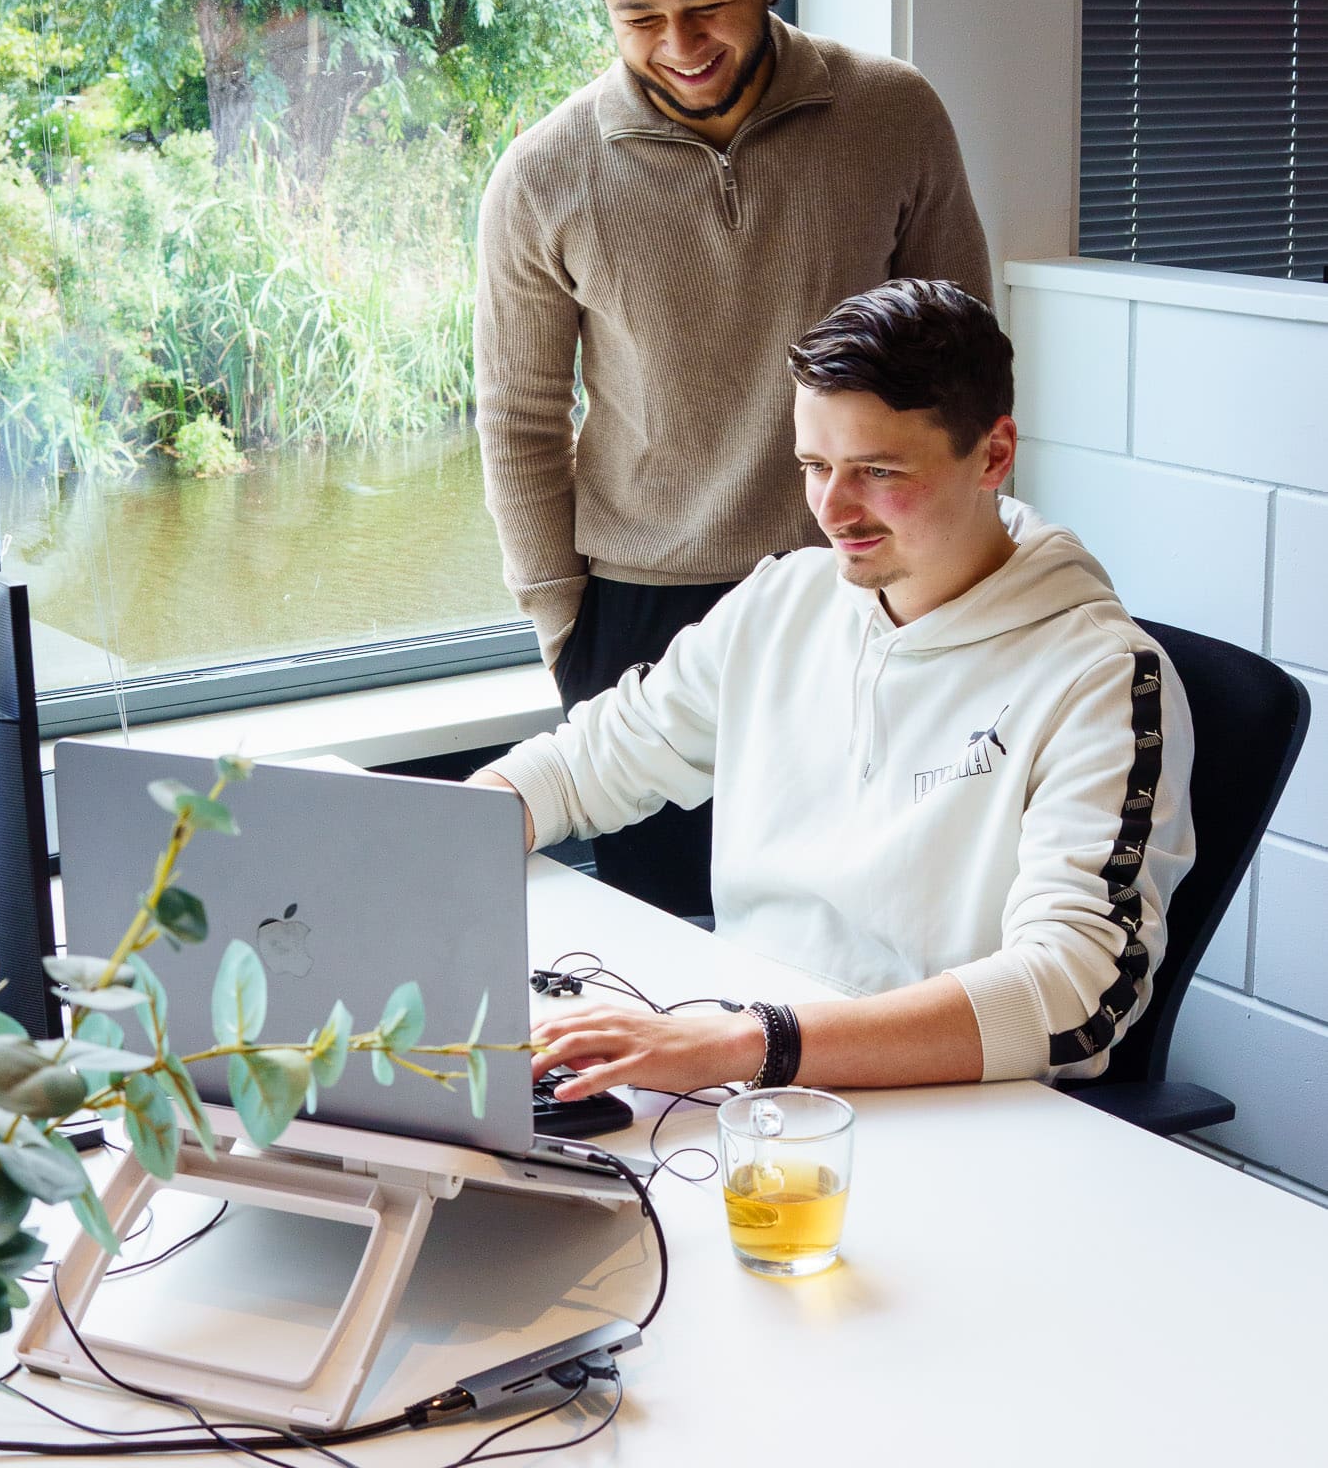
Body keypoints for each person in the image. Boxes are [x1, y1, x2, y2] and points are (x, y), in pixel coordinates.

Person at [470, 280, 1196, 1097]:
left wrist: (740, 1044)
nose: (831, 509)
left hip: (944, 1104)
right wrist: (430, 842)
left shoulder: (1098, 676)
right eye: (814, 465)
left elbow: (1074, 989)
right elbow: (584, 766)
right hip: (748, 1069)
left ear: (993, 454)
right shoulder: (783, 601)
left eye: (877, 471)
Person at [474, 0, 991, 912]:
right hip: (641, 616)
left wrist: (943, 575)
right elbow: (518, 418)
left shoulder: (893, 113)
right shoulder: (542, 173)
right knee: (660, 946)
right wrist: (563, 627)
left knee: (857, 930)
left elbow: (966, 357)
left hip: (860, 588)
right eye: (639, 19)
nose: (679, 42)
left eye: (706, 5)